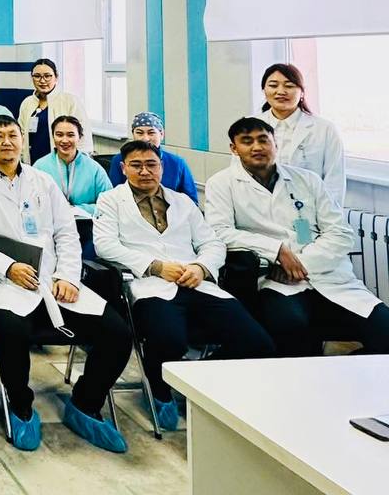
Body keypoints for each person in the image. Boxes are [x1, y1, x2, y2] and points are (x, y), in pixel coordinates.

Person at [0, 116, 131, 454]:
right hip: (7, 285)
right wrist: (8, 267)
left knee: (118, 333)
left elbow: (66, 232)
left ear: (22, 141)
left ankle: (85, 402)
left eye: (13, 135)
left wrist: (68, 275)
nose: (7, 142)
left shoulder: (43, 182)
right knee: (10, 333)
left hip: (55, 282)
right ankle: (21, 405)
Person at [93, 140, 274, 430]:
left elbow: (211, 242)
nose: (144, 171)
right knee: (170, 341)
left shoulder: (182, 202)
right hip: (150, 285)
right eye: (136, 165)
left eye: (151, 164)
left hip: (196, 283)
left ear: (161, 167)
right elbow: (105, 246)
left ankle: (195, 379)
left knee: (258, 343)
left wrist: (201, 267)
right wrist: (155, 266)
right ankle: (159, 386)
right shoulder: (110, 200)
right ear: (124, 168)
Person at [204, 117, 389, 357]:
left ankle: (346, 370)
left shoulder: (307, 180)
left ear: (276, 144)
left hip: (327, 276)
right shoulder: (221, 184)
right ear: (234, 148)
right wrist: (277, 250)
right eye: (247, 141)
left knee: (384, 329)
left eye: (263, 140)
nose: (257, 147)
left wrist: (300, 264)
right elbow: (220, 231)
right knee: (292, 329)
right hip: (275, 281)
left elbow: (340, 232)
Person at [255, 63, 345, 205]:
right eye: (273, 85)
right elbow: (238, 175)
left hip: (308, 209)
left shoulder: (324, 129)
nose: (281, 91)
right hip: (260, 208)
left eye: (289, 86)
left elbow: (334, 181)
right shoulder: (249, 126)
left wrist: (329, 215)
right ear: (264, 90)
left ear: (302, 92)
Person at [106, 112, 199, 202]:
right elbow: (114, 196)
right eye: (139, 133)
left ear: (161, 134)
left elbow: (191, 201)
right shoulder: (119, 159)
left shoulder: (177, 163)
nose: (145, 138)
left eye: (151, 133)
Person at [17, 59, 92, 164]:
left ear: (56, 77)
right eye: (37, 76)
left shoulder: (70, 101)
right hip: (32, 162)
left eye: (47, 76)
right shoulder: (27, 103)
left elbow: (83, 136)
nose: (42, 81)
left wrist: (78, 163)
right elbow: (20, 134)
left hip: (63, 163)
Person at [33, 116, 112, 215]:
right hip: (50, 222)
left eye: (70, 135)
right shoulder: (39, 167)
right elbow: (30, 203)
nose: (64, 140)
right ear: (53, 136)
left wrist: (76, 209)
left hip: (85, 222)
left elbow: (109, 205)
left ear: (79, 137)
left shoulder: (94, 169)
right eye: (59, 135)